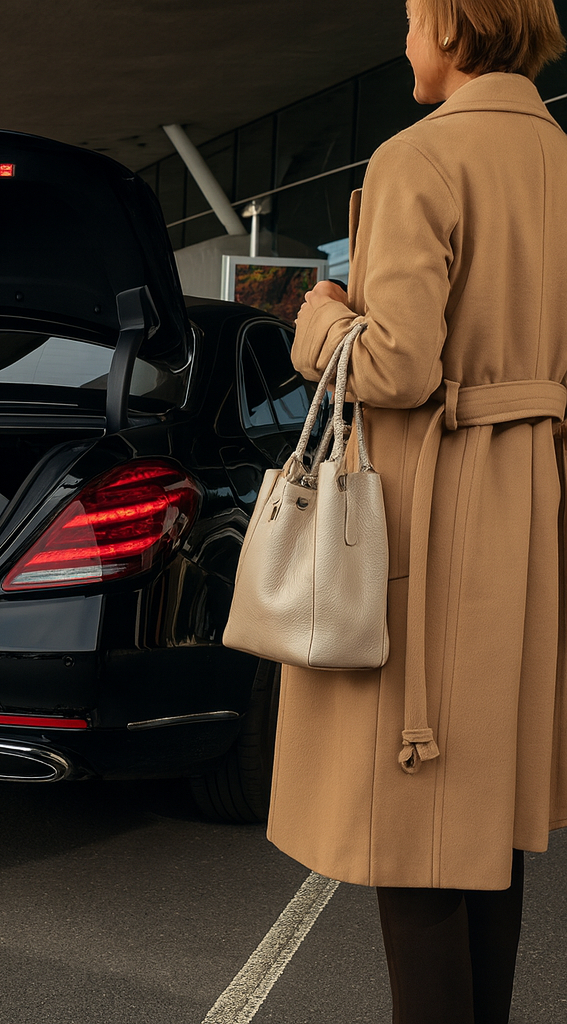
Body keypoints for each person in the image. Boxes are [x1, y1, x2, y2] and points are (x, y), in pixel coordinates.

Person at [266, 2, 567, 1022]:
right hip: (530, 506)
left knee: (414, 822)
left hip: (435, 507)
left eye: (408, 18)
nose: (401, 42)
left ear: (452, 23)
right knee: (485, 822)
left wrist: (320, 318)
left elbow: (394, 364)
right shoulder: (558, 159)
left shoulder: (421, 157)